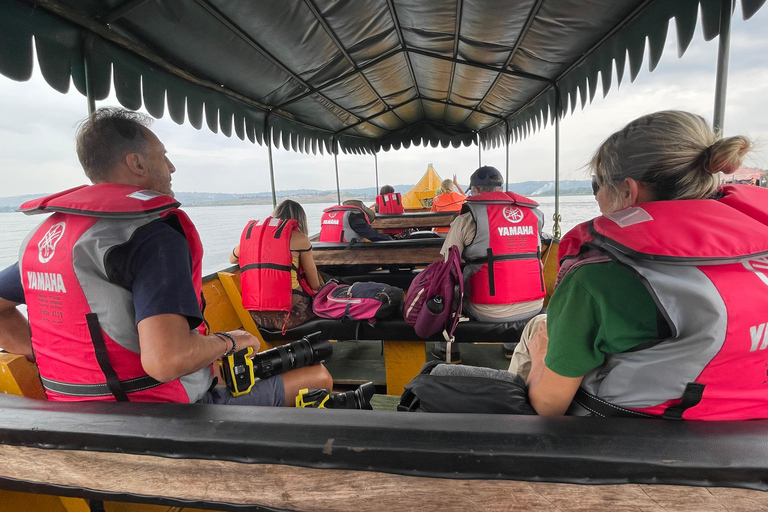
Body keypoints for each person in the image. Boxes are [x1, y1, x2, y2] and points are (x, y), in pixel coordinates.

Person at [0, 107, 332, 406]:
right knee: (318, 377)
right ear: (138, 163)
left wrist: (42, 351)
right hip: (164, 419)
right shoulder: (154, 237)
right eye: (164, 156)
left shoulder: (47, 239)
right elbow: (166, 361)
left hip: (74, 417)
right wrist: (232, 341)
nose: (171, 167)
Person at [518, 110, 768, 420]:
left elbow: (548, 406)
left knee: (537, 330)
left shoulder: (598, 275)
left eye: (598, 185)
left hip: (627, 443)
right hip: (746, 439)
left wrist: (540, 358)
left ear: (630, 190)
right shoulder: (758, 251)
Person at [435, 166, 545, 362]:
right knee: (514, 270)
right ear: (501, 187)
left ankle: (446, 350)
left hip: (487, 309)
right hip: (535, 305)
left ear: (475, 190)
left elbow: (446, 264)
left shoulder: (468, 219)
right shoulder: (535, 215)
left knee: (448, 288)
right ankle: (512, 346)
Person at [230, 200, 321, 331]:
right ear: (300, 220)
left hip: (257, 316)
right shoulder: (300, 239)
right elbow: (315, 285)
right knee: (322, 291)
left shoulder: (254, 237)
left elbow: (232, 259)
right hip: (291, 315)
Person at [319, 199, 393, 242]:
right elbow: (373, 235)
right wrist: (391, 240)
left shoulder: (327, 215)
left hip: (326, 262)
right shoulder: (353, 217)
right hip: (347, 262)